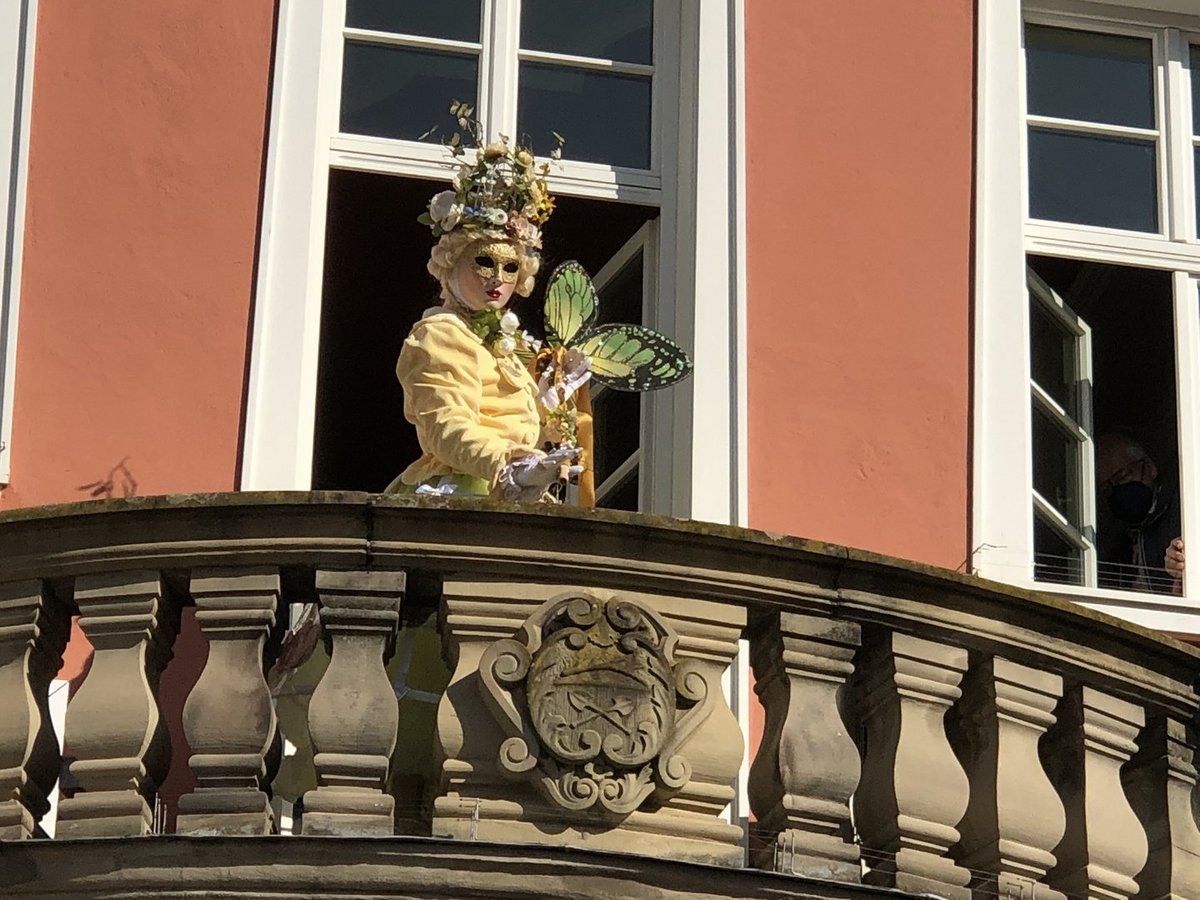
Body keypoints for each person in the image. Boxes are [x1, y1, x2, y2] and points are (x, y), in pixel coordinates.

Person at [384, 137, 587, 502]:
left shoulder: (506, 346)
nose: (497, 278)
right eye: (484, 262)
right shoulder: (440, 334)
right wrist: (508, 463)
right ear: (452, 264)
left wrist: (549, 406)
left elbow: (512, 423)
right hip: (463, 490)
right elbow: (446, 428)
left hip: (511, 492)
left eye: (510, 268)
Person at [1095, 433, 1184, 594]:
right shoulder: (1118, 545)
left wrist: (1181, 564)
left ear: (1150, 467)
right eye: (1107, 488)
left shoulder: (1183, 510)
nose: (1117, 489)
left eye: (1122, 477)